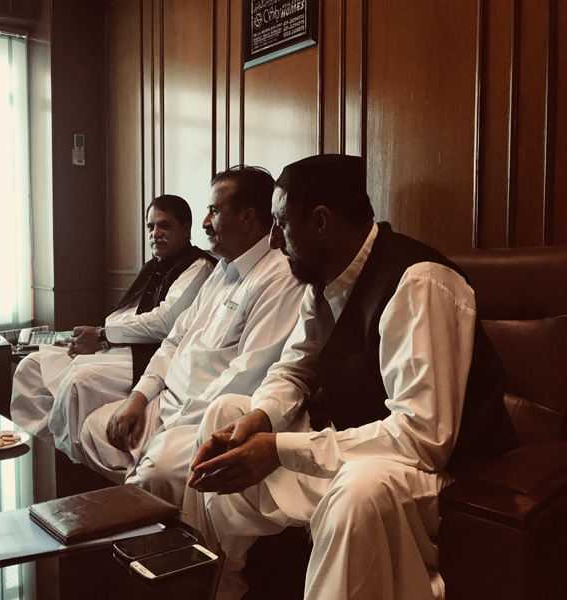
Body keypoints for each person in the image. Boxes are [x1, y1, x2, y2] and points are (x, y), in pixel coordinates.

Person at [183, 154, 518, 600]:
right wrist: (260, 419)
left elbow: (423, 439)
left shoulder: (418, 282)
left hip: (443, 472)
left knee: (359, 489)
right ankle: (219, 587)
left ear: (320, 222)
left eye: (281, 224)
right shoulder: (321, 280)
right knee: (226, 415)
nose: (276, 241)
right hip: (360, 448)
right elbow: (292, 369)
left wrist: (279, 450)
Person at [79, 166, 306, 506]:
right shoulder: (222, 270)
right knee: (95, 429)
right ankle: (134, 502)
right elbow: (175, 339)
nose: (205, 222)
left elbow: (248, 375)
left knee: (155, 473)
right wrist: (139, 397)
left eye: (214, 211)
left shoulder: (278, 278)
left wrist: (169, 428)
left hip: (205, 418)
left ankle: (148, 521)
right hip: (167, 404)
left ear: (247, 218)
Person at [10, 194, 216, 460]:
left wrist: (102, 337)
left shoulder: (199, 266)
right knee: (31, 367)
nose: (155, 234)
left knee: (78, 382)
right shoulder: (153, 266)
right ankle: (43, 454)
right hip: (118, 345)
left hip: (149, 357)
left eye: (165, 226)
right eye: (151, 227)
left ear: (186, 228)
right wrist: (89, 337)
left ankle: (72, 465)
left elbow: (164, 323)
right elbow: (123, 315)